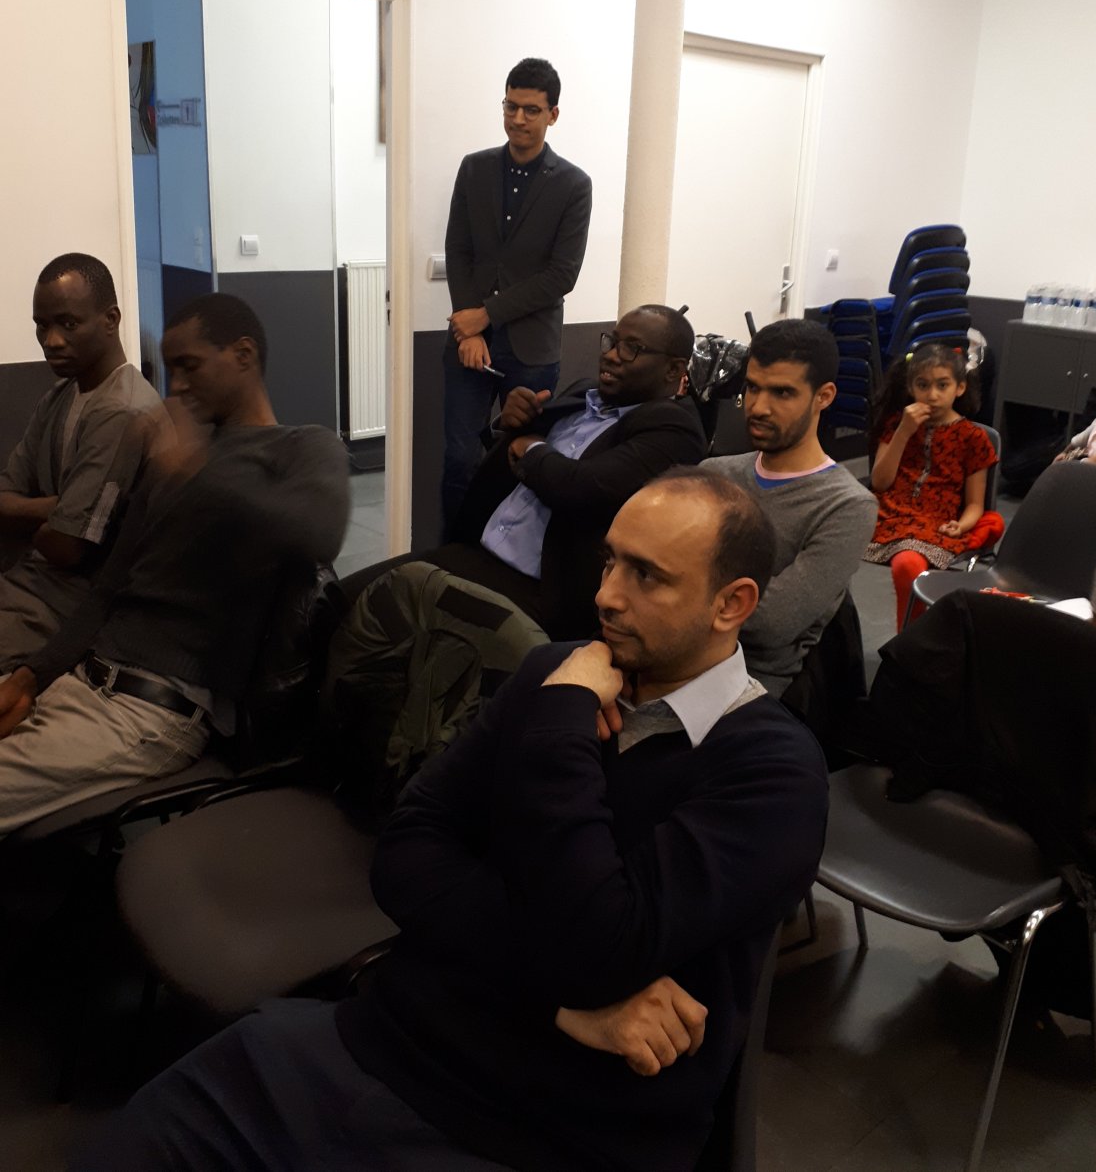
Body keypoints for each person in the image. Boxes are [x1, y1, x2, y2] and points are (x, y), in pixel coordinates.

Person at [72, 468, 828, 1172]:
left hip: (543, 1130)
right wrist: (561, 1003)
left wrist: (561, 725)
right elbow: (407, 855)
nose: (605, 595)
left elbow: (600, 941)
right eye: (609, 562)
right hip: (379, 1040)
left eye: (646, 576)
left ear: (731, 604)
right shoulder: (556, 673)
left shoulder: (771, 774)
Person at [0, 294, 349, 836]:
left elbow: (318, 532)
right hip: (80, 682)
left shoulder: (302, 447)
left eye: (189, 366)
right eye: (170, 370)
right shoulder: (176, 457)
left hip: (152, 712)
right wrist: (31, 676)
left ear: (243, 355)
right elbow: (109, 588)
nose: (177, 386)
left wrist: (198, 469)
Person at [347, 305, 707, 640]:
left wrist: (532, 449)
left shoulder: (673, 429)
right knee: (345, 599)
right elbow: (514, 451)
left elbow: (581, 487)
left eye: (631, 349)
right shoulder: (584, 393)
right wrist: (510, 424)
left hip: (535, 589)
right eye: (612, 341)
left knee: (387, 626)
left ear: (673, 370)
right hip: (476, 553)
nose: (611, 354)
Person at [441, 56, 592, 533]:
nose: (518, 119)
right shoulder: (475, 168)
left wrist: (484, 315)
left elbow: (561, 275)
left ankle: (509, 552)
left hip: (532, 347)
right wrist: (468, 329)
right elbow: (459, 250)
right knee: (460, 457)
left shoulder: (573, 184)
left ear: (553, 114)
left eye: (531, 110)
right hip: (469, 343)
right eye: (511, 106)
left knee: (521, 456)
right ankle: (452, 552)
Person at [0, 253, 164, 671]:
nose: (52, 340)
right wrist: (56, 508)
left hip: (66, 605)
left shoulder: (123, 411)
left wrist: (40, 520)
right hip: (26, 581)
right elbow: (5, 498)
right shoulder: (59, 395)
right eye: (42, 325)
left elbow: (67, 548)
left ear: (111, 320)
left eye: (68, 324)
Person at [702, 318, 877, 696]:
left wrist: (670, 602)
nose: (758, 407)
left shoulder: (847, 506)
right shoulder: (714, 473)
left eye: (782, 392)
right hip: (671, 657)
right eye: (753, 387)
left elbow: (770, 624)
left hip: (750, 683)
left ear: (824, 396)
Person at [865, 342, 1003, 631]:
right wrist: (904, 431)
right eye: (923, 385)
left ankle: (911, 638)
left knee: (908, 564)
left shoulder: (973, 438)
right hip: (886, 515)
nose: (932, 395)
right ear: (910, 388)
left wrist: (962, 526)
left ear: (959, 388)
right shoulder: (897, 424)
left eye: (943, 385)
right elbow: (880, 482)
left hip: (936, 523)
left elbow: (975, 504)